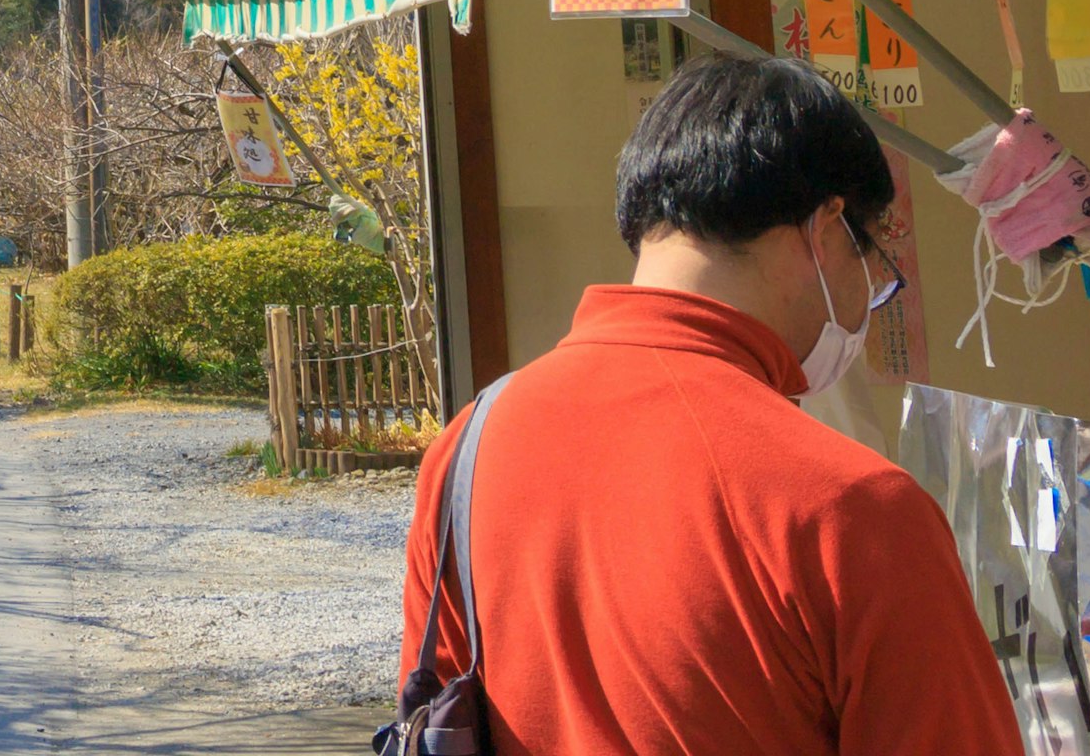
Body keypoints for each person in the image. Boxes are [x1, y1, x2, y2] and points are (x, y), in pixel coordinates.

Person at [396, 56, 1022, 756]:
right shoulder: (853, 510)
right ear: (826, 229)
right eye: (872, 263)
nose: (866, 297)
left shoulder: (468, 447)